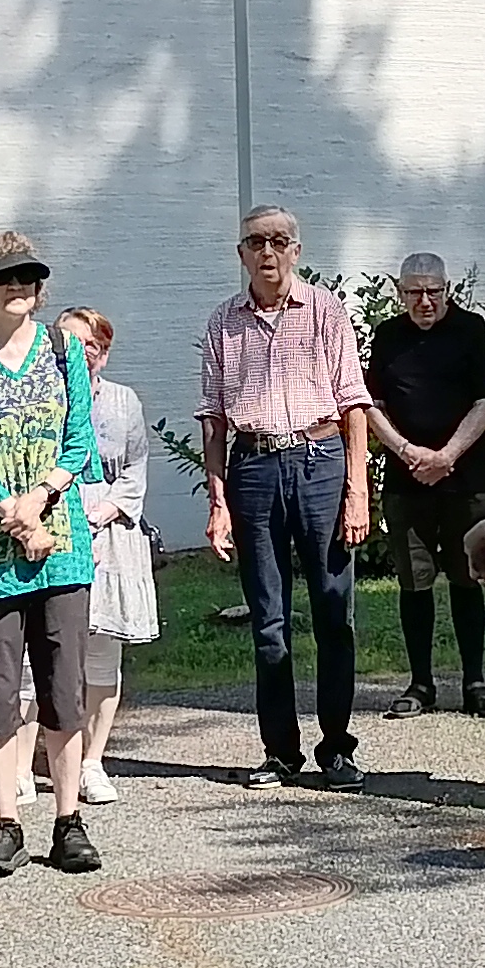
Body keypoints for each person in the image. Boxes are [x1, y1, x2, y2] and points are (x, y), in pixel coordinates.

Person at [0, 233, 107, 878]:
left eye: (28, 278)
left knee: (64, 691)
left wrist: (39, 499)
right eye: (4, 278)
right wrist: (11, 510)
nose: (17, 288)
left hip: (61, 549)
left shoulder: (64, 351)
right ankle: (6, 822)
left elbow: (79, 439)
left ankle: (68, 821)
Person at [197, 204, 377, 790]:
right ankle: (279, 752)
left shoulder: (325, 311)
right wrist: (218, 502)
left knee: (333, 611)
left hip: (320, 461)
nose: (268, 252)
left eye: (279, 241)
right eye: (256, 242)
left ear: (296, 251)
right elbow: (213, 420)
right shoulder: (223, 322)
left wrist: (357, 492)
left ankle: (337, 749)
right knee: (268, 620)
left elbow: (354, 406)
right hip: (252, 468)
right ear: (241, 254)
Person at [367, 251, 485, 720]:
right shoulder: (388, 337)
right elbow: (371, 405)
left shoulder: (471, 330)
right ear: (399, 292)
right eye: (414, 292)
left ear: (448, 290)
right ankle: (420, 683)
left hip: (466, 479)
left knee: (468, 579)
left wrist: (447, 456)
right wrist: (407, 451)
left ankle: (475, 682)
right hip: (406, 481)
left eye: (433, 291)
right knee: (414, 583)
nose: (424, 301)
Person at [62, 307, 156, 805]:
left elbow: (137, 465)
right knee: (38, 657)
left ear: (104, 352)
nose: (82, 354)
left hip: (112, 529)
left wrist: (110, 508)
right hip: (55, 526)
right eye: (70, 344)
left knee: (102, 655)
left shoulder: (124, 401)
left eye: (91, 346)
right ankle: (22, 769)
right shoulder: (41, 398)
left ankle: (91, 763)